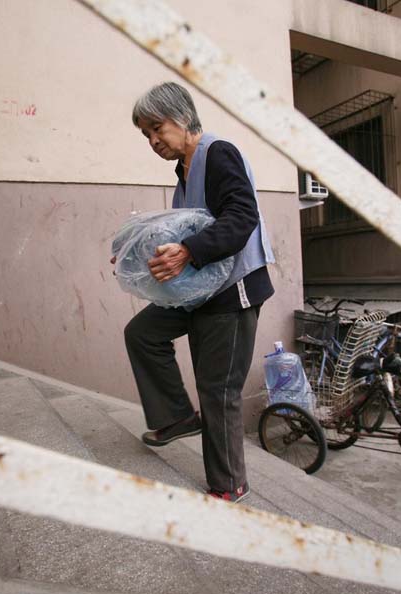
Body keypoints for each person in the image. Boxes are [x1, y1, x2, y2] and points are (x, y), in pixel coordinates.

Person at [119, 82, 276, 503]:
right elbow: (182, 229)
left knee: (218, 388)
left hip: (234, 290)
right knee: (143, 333)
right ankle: (176, 417)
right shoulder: (184, 170)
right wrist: (135, 254)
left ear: (183, 117)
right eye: (146, 135)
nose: (153, 141)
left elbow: (241, 217)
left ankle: (229, 484)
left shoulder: (219, 154)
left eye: (157, 128)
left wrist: (189, 251)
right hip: (201, 290)